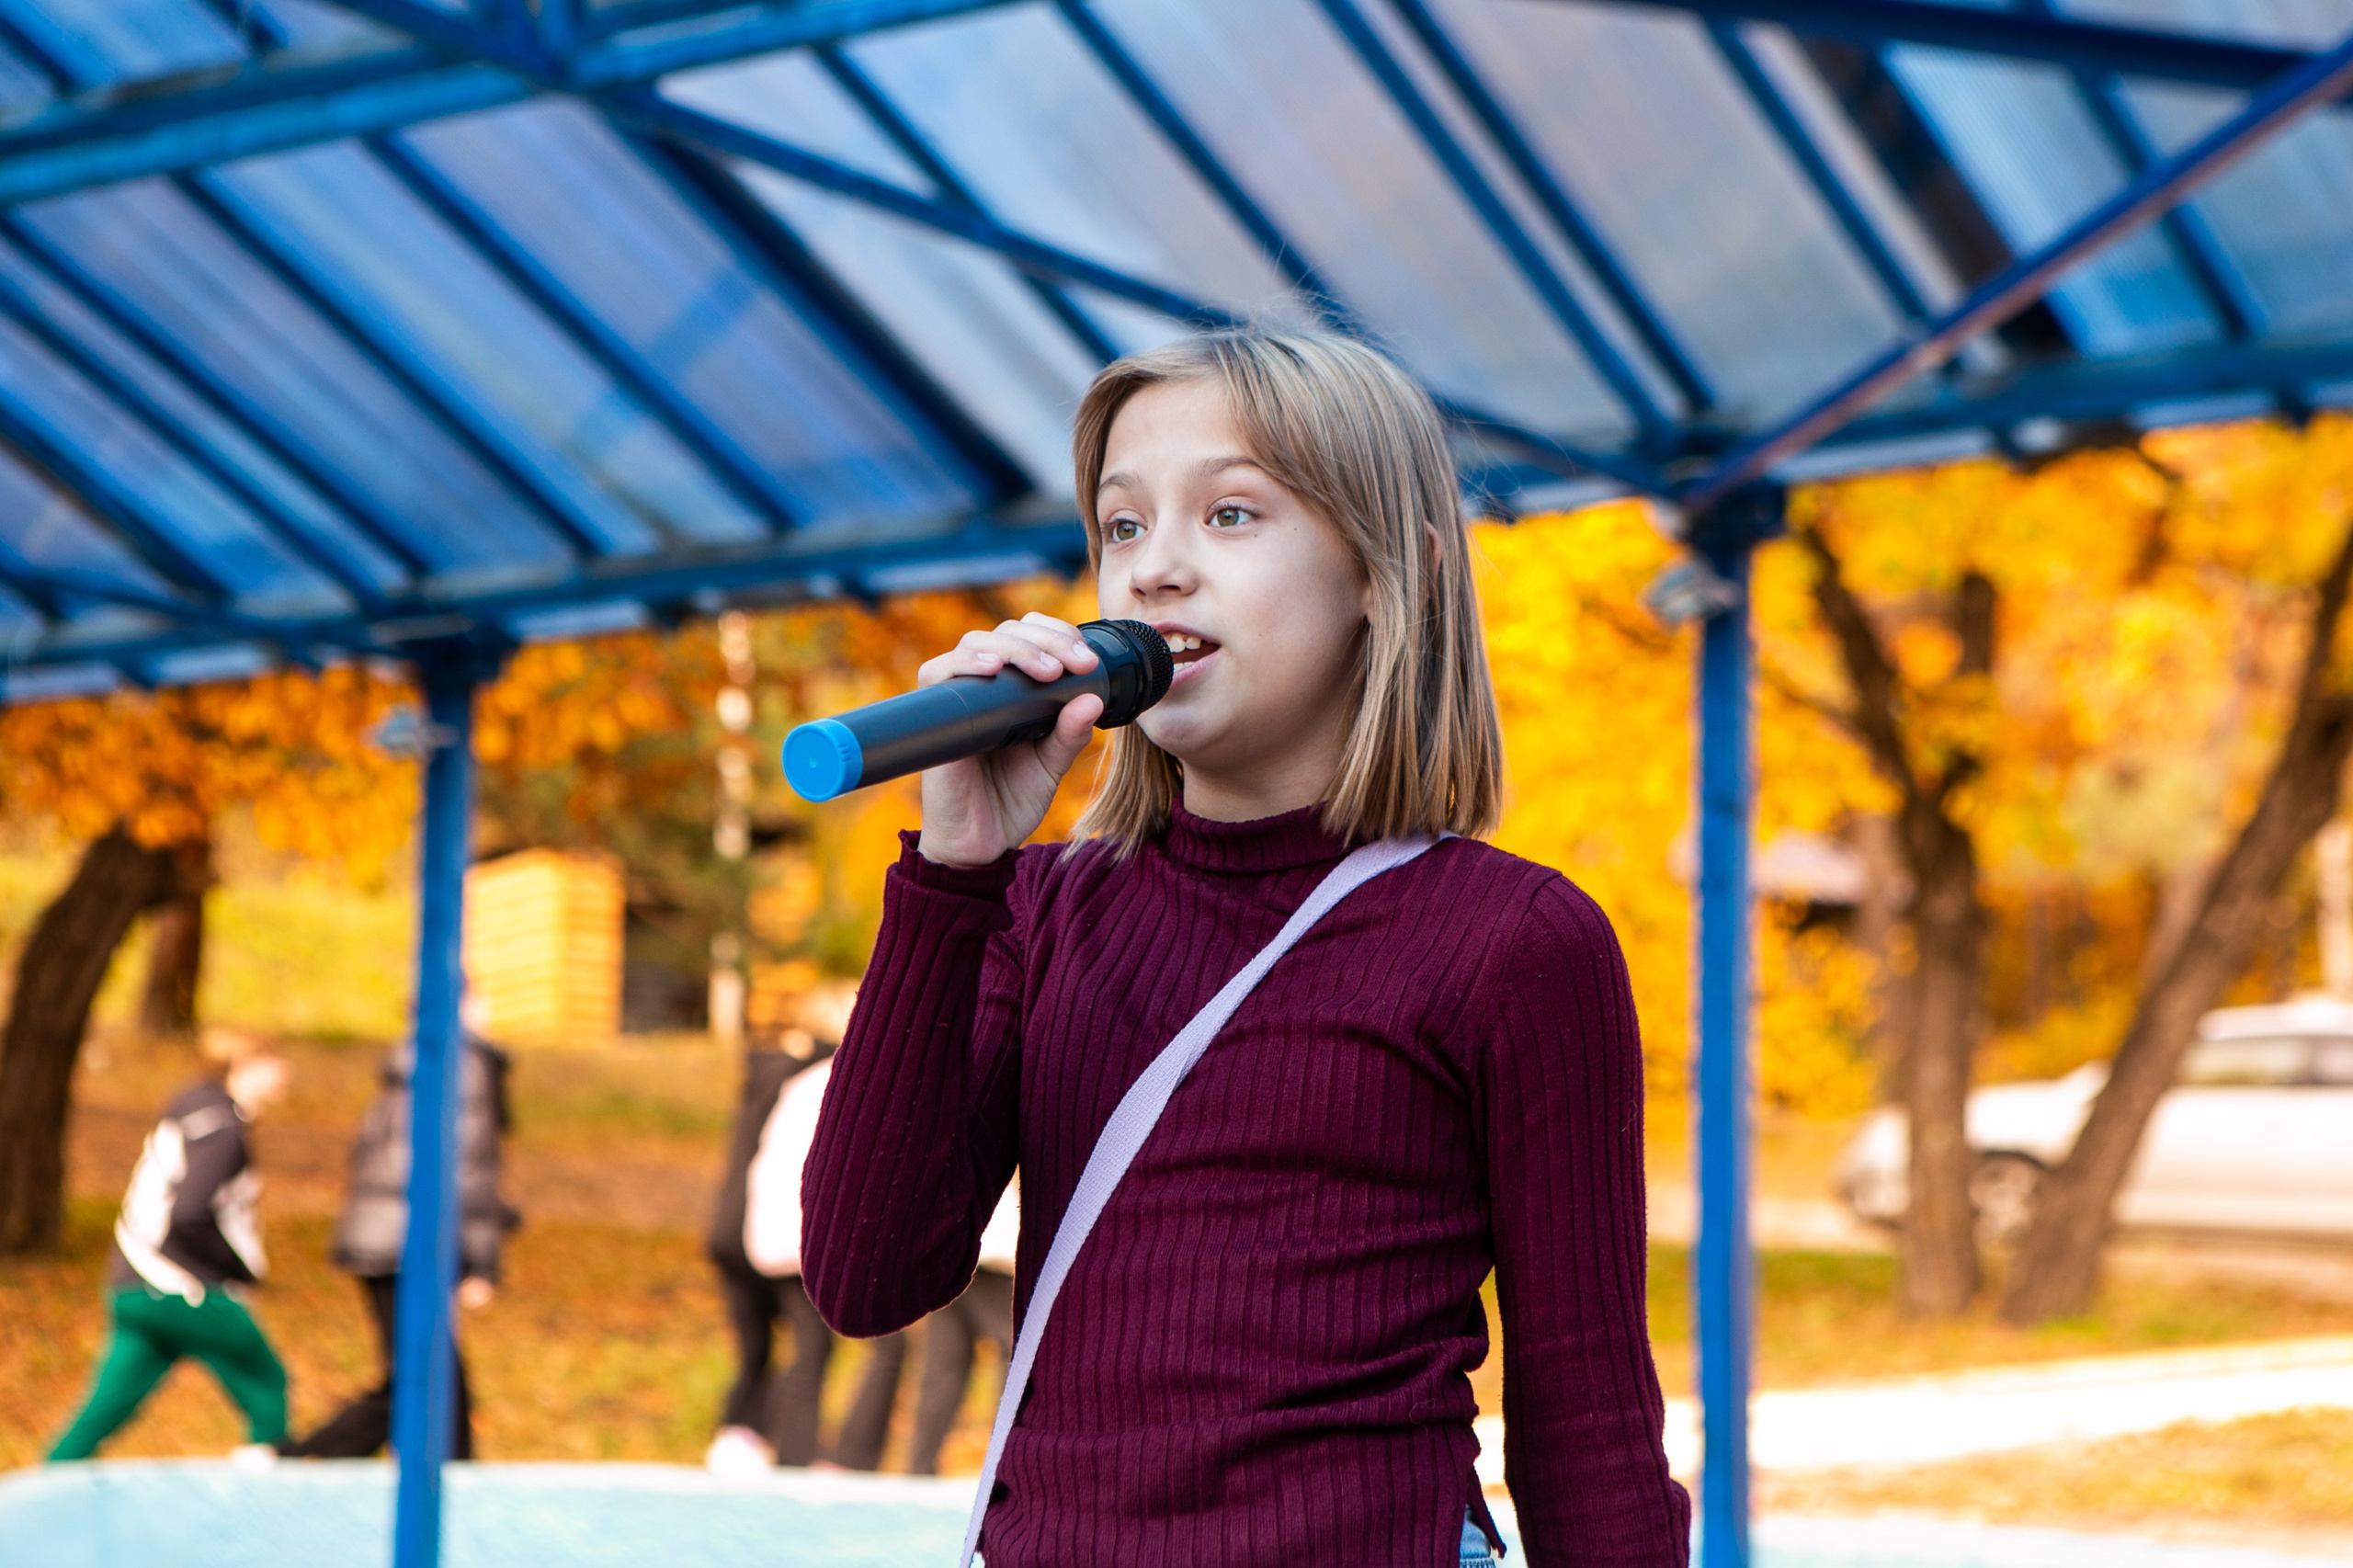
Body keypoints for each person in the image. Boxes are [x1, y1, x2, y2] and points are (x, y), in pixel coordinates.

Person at [802, 330, 1689, 1565]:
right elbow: (864, 1276)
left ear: (1390, 576)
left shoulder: (1514, 943)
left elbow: (1587, 1418)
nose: (1157, 569)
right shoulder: (1041, 913)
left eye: (1228, 514)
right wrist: (955, 878)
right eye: (1122, 527)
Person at [278, 1006, 515, 1460]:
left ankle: (313, 1458)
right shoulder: (462, 1060)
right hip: (412, 1242)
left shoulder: (409, 1059)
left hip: (381, 1235)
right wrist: (482, 1260)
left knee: (425, 1379)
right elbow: (471, 1166)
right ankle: (308, 1458)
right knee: (428, 1384)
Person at [50, 1028, 291, 1463]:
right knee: (268, 1388)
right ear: (243, 1066)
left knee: (100, 1414)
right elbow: (188, 1214)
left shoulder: (192, 1111)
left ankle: (48, 1487)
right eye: (273, 1064)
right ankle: (262, 1502)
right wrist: (235, 1270)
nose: (284, 1075)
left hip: (132, 1289)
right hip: (188, 1291)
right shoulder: (223, 1132)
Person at [710, 983, 905, 1475]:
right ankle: (843, 1458)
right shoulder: (832, 1081)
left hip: (776, 1236)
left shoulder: (802, 1080)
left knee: (804, 1350)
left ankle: (792, 1453)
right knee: (865, 1345)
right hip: (802, 1240)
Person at [904, 1180, 1017, 1477]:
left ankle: (920, 1467)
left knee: (942, 1367)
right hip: (991, 1245)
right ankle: (1008, 1466)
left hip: (949, 1242)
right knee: (1017, 1352)